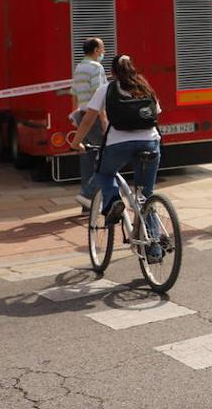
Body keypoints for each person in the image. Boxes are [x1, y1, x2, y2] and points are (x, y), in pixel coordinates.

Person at [69, 55, 163, 257]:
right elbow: (156, 113)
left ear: (112, 72)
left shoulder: (106, 89)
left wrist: (76, 143)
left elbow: (87, 120)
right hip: (150, 142)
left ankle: (113, 202)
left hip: (118, 144)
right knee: (146, 196)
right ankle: (154, 248)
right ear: (132, 69)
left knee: (104, 173)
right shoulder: (145, 87)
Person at [71, 37, 106, 214]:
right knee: (102, 160)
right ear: (95, 50)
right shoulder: (96, 68)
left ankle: (87, 205)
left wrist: (75, 115)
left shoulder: (78, 68)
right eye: (102, 48)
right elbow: (98, 95)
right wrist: (104, 121)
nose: (103, 51)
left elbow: (74, 93)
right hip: (94, 118)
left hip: (82, 116)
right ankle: (98, 201)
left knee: (86, 159)